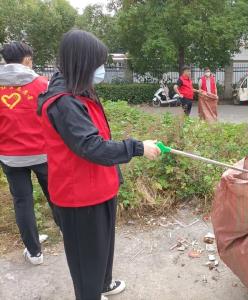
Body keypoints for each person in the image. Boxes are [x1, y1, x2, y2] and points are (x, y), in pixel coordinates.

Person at [38, 30, 161, 300]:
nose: (102, 69)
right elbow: (91, 146)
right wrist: (138, 147)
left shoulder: (81, 92)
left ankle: (102, 284)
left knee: (102, 249)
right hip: (79, 197)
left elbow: (99, 138)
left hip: (100, 187)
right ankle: (90, 293)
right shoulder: (64, 102)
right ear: (82, 63)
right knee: (86, 262)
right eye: (98, 63)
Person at [0, 42, 56, 265]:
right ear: (26, 60)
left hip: (10, 157)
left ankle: (34, 252)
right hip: (42, 153)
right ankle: (68, 233)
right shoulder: (43, 84)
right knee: (55, 194)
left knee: (22, 202)